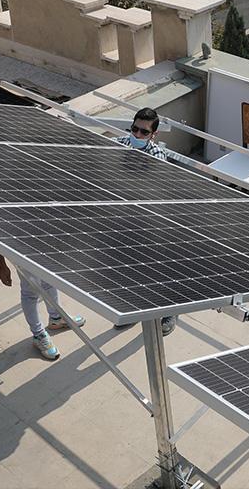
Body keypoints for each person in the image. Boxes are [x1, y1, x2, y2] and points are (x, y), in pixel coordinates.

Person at [114, 107, 176, 336]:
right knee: (125, 267)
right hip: (122, 217)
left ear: (153, 135)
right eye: (135, 129)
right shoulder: (117, 142)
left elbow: (150, 188)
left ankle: (169, 310)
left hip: (148, 219)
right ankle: (132, 310)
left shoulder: (157, 155)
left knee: (154, 268)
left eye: (143, 132)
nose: (137, 135)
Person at [0, 254, 86, 360]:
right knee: (30, 291)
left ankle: (56, 318)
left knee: (48, 279)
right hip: (20, 249)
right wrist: (2, 265)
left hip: (39, 246)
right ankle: (39, 335)